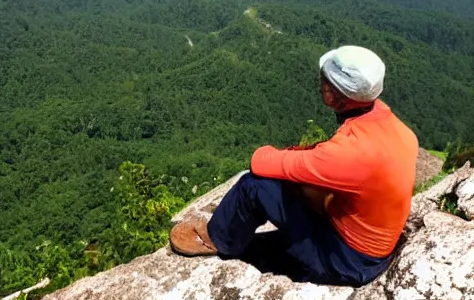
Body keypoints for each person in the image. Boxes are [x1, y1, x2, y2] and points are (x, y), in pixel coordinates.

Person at [170, 46, 419, 287]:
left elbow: (260, 161)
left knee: (255, 185)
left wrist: (289, 157)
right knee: (267, 233)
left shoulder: (348, 153)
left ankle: (216, 239)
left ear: (334, 97)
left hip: (345, 261)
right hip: (367, 248)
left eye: (324, 81)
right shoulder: (399, 130)